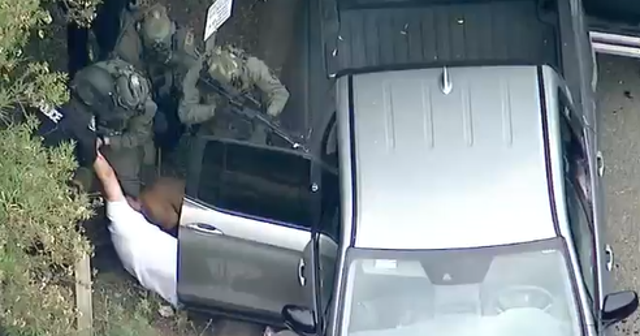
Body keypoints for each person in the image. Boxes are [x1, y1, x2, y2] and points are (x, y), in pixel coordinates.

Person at [93, 146, 179, 307]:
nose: (128, 196)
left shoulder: (126, 229)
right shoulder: (122, 216)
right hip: (181, 268)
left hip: (177, 285)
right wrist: (91, 148)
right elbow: (107, 176)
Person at [113, 3, 200, 152]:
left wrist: (173, 58)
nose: (158, 48)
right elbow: (128, 76)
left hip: (171, 91)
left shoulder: (179, 36)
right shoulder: (129, 44)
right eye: (153, 44)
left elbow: (194, 64)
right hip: (143, 94)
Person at [71, 58, 157, 197]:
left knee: (128, 185)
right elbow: (81, 82)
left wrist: (107, 141)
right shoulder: (106, 71)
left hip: (117, 136)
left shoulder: (146, 109)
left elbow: (136, 137)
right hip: (88, 112)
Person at [177, 44, 290, 137]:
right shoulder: (196, 76)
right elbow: (185, 113)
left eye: (236, 81)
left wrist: (269, 116)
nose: (234, 86)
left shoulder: (251, 66)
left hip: (253, 120)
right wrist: (214, 111)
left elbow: (280, 93)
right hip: (216, 132)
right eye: (230, 84)